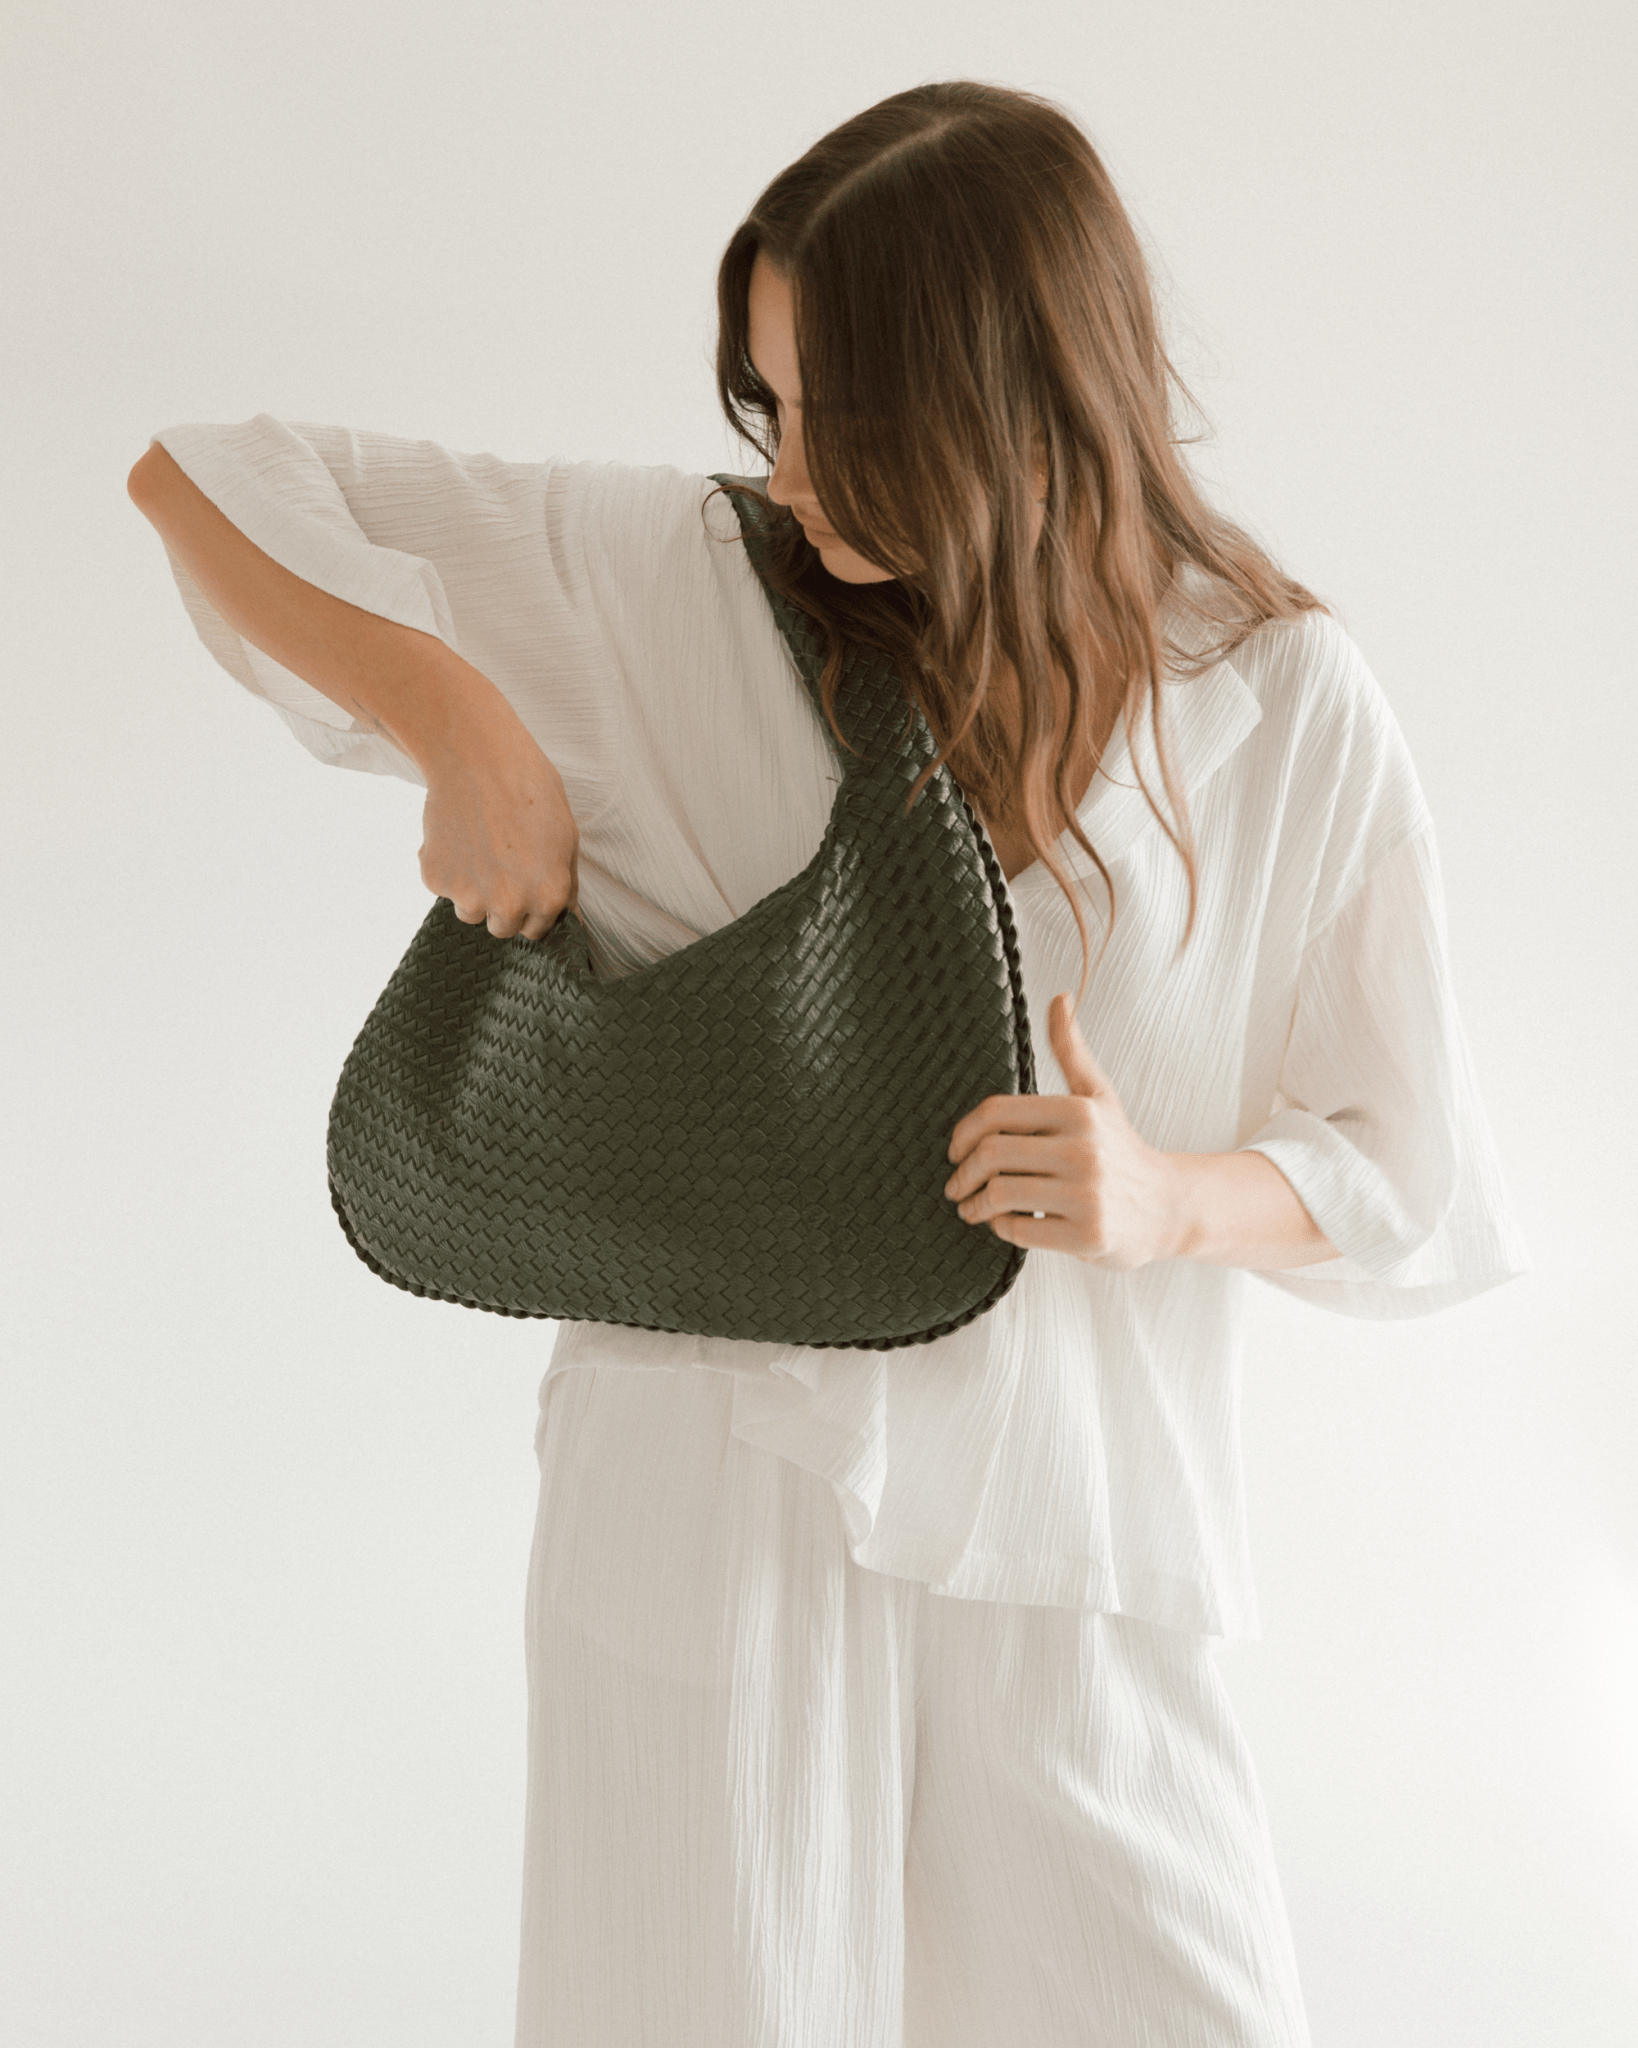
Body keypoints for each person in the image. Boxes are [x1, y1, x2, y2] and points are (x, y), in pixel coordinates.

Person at [128, 78, 1529, 2048]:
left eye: (842, 418)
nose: (794, 479)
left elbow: (1413, 1162)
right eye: (767, 411)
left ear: (1014, 389)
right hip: (710, 1496)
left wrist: (1172, 1199)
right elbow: (206, 474)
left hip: (1078, 1535)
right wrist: (456, 724)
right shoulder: (673, 582)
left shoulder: (1277, 702)